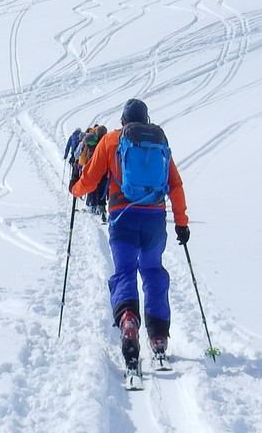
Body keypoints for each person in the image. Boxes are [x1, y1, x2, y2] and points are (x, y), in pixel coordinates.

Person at [68, 98, 189, 371]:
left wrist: (75, 188)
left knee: (124, 271)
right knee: (153, 271)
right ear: (146, 121)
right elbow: (175, 184)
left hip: (122, 218)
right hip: (155, 220)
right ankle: (158, 336)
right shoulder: (159, 142)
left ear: (122, 121)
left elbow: (90, 180)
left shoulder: (111, 140)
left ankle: (128, 322)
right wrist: (181, 222)